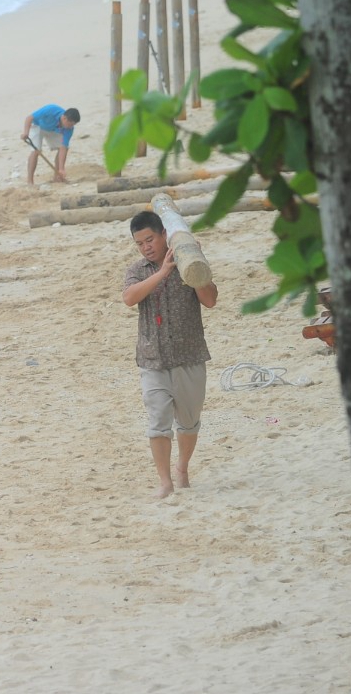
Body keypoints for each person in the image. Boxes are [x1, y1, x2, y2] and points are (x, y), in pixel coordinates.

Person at [121, 210, 219, 499]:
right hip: (153, 358)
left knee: (189, 422)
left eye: (150, 240)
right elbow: (129, 298)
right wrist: (162, 272)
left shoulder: (187, 263)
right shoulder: (137, 270)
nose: (146, 247)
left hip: (189, 354)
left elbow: (210, 300)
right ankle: (165, 482)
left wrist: (195, 263)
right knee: (158, 422)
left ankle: (182, 468)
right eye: (140, 243)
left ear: (164, 234)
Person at [20, 105, 79, 184]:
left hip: (52, 130)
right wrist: (26, 133)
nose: (70, 127)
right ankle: (30, 181)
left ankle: (57, 177)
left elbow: (63, 147)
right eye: (70, 124)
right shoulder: (51, 109)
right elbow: (29, 118)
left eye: (73, 125)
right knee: (35, 151)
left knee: (63, 148)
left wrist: (61, 169)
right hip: (37, 125)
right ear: (64, 118)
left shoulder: (69, 129)